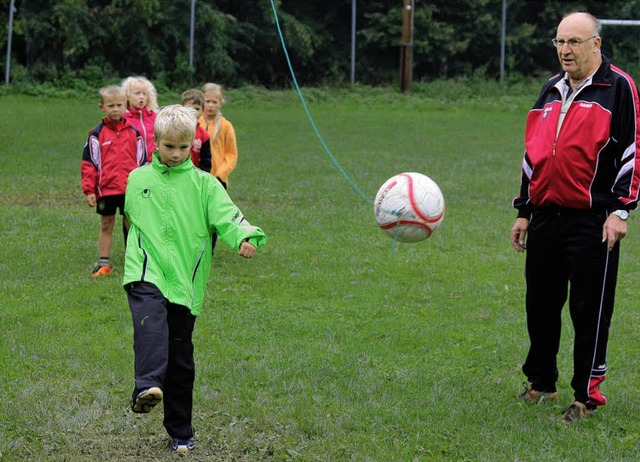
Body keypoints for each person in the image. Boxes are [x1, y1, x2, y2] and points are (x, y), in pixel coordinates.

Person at [510, 11, 640, 423]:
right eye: (560, 42)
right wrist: (524, 210)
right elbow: (533, 152)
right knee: (541, 305)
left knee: (590, 311)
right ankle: (541, 382)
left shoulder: (619, 87)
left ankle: (585, 396)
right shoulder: (550, 89)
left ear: (596, 44)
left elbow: (634, 151)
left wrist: (621, 210)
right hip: (547, 215)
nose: (565, 50)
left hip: (594, 220)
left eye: (574, 42)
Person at [123, 105, 266, 453]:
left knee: (181, 358)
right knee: (150, 326)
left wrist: (245, 236)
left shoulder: (205, 185)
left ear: (193, 146)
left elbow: (228, 216)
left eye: (182, 148)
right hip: (144, 270)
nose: (175, 154)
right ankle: (146, 385)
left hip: (185, 281)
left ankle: (180, 433)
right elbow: (131, 220)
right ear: (155, 142)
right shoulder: (137, 179)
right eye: (168, 146)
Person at [81, 84, 146, 277]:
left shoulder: (134, 133)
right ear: (102, 107)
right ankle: (104, 264)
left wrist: (143, 187)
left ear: (126, 105)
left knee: (132, 224)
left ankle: (135, 262)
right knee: (106, 224)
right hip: (106, 190)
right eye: (111, 106)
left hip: (130, 189)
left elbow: (143, 162)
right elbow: (89, 163)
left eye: (119, 105)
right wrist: (89, 190)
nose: (115, 109)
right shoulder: (96, 134)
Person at [199, 83, 237, 189]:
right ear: (202, 101)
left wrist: (220, 175)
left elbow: (231, 154)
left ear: (220, 103)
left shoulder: (226, 126)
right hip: (197, 178)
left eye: (214, 102)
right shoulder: (195, 123)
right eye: (207, 101)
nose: (211, 105)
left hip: (218, 180)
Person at [122, 76, 159, 161]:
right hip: (132, 165)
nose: (141, 97)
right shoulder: (123, 119)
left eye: (144, 94)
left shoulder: (155, 118)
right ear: (127, 96)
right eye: (137, 93)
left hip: (154, 166)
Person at [180, 88, 212, 172]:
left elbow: (206, 161)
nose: (192, 111)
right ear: (182, 108)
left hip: (193, 175)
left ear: (202, 110)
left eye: (197, 109)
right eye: (188, 108)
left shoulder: (204, 135)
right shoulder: (174, 129)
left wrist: (202, 177)